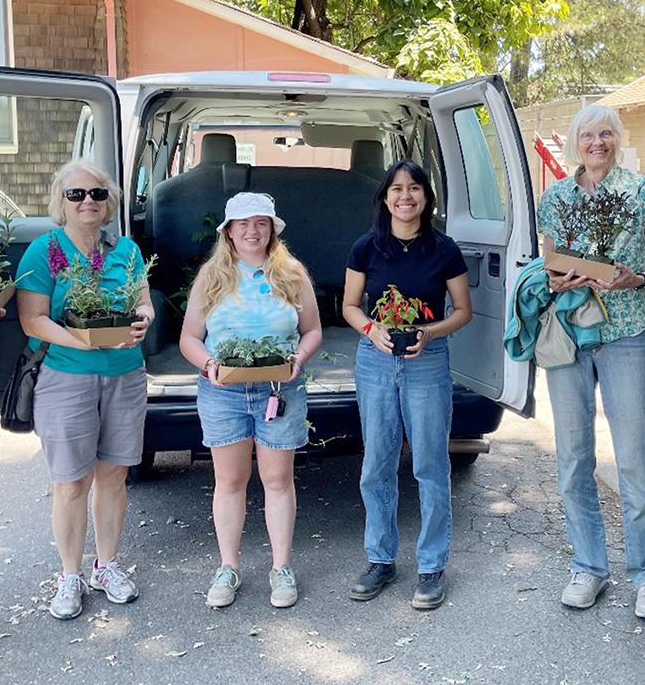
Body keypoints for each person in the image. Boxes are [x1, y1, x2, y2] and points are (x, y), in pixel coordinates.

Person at [536, 103, 645, 620]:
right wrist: (558, 280)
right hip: (570, 335)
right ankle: (589, 566)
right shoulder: (554, 198)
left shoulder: (644, 193)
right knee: (573, 457)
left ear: (618, 139)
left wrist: (635, 278)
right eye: (588, 135)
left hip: (626, 334)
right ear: (576, 142)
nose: (597, 143)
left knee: (635, 455)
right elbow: (549, 266)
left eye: (606, 134)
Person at [15, 159, 154, 620]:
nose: (88, 202)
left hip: (125, 372)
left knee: (114, 474)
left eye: (96, 193)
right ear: (62, 202)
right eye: (76, 195)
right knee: (72, 481)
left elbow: (143, 303)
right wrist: (81, 338)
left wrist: (142, 323)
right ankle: (69, 574)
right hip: (66, 375)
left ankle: (107, 565)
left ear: (109, 201)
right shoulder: (44, 250)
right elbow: (32, 318)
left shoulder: (127, 250)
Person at [179, 192, 322, 610]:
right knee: (230, 481)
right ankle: (228, 567)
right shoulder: (212, 276)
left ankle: (281, 568)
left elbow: (312, 331)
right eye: (242, 224)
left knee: (278, 480)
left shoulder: (292, 273)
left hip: (279, 389)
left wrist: (299, 358)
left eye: (260, 222)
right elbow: (189, 338)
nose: (251, 231)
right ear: (228, 231)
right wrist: (209, 365)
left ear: (272, 229)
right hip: (222, 392)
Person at [341, 160, 472, 610]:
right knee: (377, 462)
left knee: (431, 465)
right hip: (375, 361)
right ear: (384, 197)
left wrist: (429, 332)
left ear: (425, 197)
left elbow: (462, 311)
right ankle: (381, 559)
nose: (405, 197)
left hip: (427, 361)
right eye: (396, 189)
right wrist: (370, 330)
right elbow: (351, 306)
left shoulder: (444, 249)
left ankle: (432, 567)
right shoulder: (365, 248)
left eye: (414, 188)